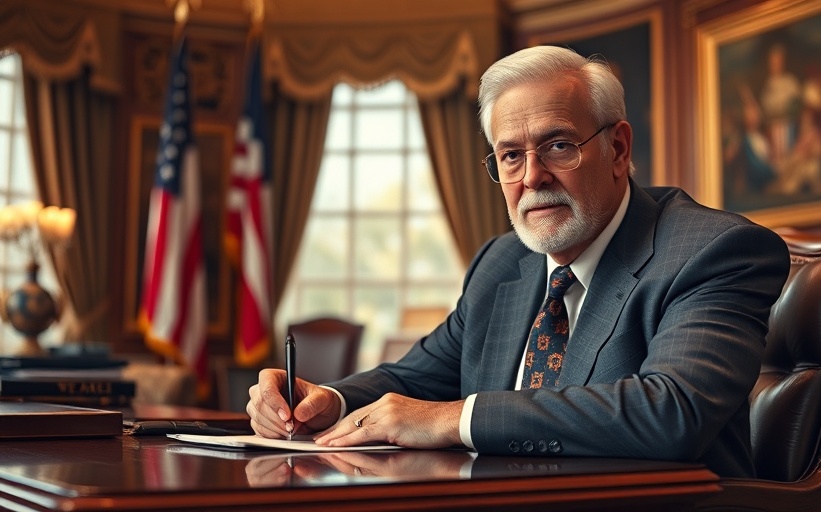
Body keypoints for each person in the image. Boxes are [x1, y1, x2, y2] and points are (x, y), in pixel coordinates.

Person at [247, 45, 791, 478]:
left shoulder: (712, 251)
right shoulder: (503, 262)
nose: (531, 177)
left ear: (619, 150)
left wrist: (453, 418)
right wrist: (326, 399)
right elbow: (415, 379)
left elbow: (672, 413)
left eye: (558, 146)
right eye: (511, 155)